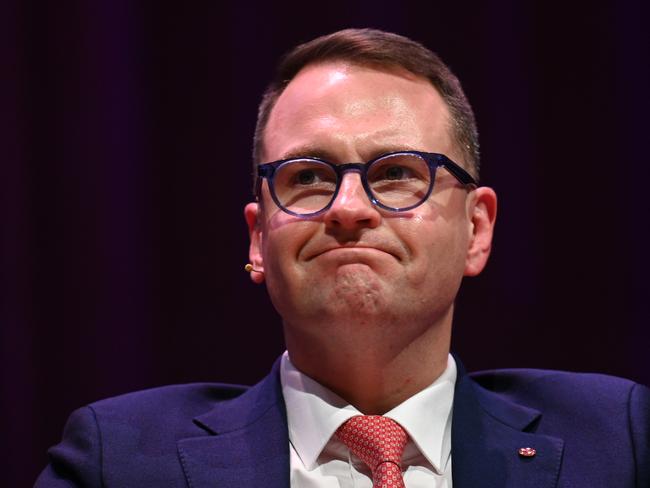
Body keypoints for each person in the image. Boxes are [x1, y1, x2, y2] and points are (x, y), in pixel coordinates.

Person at [36, 28, 649, 488]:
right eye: (307, 176)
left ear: (476, 229)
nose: (349, 207)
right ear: (257, 240)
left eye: (399, 172)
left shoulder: (622, 442)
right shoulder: (118, 460)